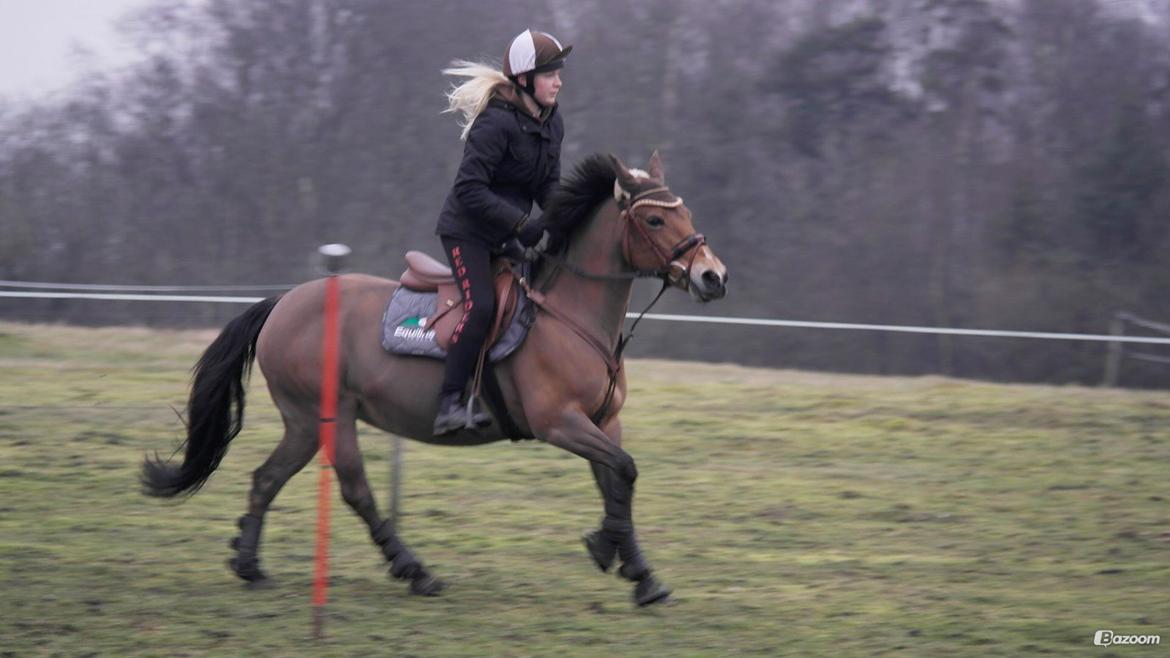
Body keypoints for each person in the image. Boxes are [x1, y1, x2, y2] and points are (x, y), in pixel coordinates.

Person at [432, 28, 571, 436]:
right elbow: (468, 189)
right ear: (525, 80)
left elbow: (548, 185)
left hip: (507, 235)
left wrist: (567, 217)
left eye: (559, 73)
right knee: (482, 307)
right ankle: (449, 403)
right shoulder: (495, 123)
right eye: (550, 74)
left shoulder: (552, 121)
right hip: (467, 232)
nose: (559, 81)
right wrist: (522, 225)